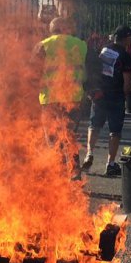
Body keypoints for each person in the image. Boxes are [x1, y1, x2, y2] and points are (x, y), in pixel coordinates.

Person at [35, 17, 88, 179]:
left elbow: (32, 73)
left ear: (51, 30)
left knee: (53, 139)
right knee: (70, 136)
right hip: (73, 98)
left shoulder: (43, 45)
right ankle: (75, 173)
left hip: (50, 100)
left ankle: (59, 174)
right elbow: (88, 72)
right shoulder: (81, 45)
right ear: (67, 29)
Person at [84, 25, 131, 177]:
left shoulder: (104, 49)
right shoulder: (126, 56)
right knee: (115, 131)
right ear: (125, 38)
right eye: (130, 37)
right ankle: (110, 163)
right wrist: (125, 96)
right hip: (115, 96)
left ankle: (89, 153)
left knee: (94, 125)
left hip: (99, 94)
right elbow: (127, 82)